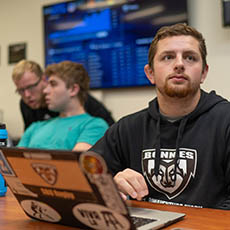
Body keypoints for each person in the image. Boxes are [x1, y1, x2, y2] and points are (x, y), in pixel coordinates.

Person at [90, 23, 230, 210]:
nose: (179, 64)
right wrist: (109, 186)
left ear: (203, 72)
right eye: (168, 57)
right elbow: (81, 175)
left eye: (190, 57)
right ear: (150, 73)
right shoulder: (128, 128)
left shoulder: (225, 121)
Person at [17, 61, 108, 151]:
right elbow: (12, 163)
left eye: (53, 84)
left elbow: (75, 164)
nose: (45, 91)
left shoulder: (95, 125)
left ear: (73, 89)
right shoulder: (35, 127)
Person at [12, 60, 114, 131]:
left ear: (43, 79)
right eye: (21, 90)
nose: (27, 95)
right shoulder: (26, 107)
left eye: (31, 87)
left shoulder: (82, 104)